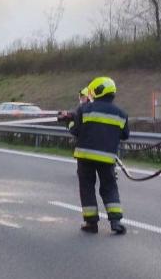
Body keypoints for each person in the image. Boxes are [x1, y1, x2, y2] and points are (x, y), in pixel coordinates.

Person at [69, 77, 129, 235]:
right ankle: (116, 222)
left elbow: (75, 130)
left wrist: (68, 121)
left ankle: (91, 223)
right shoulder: (121, 113)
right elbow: (125, 135)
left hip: (85, 157)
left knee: (87, 188)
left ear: (96, 91)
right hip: (107, 159)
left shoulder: (85, 109)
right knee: (109, 188)